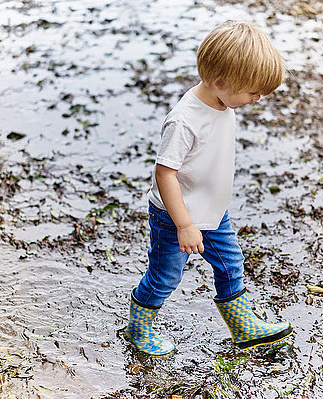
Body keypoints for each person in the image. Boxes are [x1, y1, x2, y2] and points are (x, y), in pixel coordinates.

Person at [125, 21, 293, 356]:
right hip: (176, 216)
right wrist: (185, 224)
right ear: (220, 82)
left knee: (231, 264)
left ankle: (243, 328)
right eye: (252, 92)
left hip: (214, 210)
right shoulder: (184, 121)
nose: (258, 98)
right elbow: (165, 173)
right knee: (165, 276)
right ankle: (138, 331)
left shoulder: (223, 102)